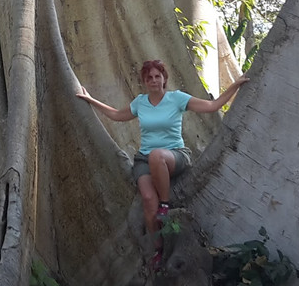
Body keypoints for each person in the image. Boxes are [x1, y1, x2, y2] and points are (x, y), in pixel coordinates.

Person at [77, 59, 248, 269]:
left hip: (174, 155)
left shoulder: (176, 99)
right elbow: (116, 114)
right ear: (144, 82)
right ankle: (158, 250)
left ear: (164, 78)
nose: (154, 80)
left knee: (157, 156)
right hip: (144, 160)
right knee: (148, 200)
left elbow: (213, 106)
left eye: (157, 76)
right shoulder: (140, 102)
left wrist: (235, 85)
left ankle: (165, 206)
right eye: (149, 78)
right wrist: (90, 100)